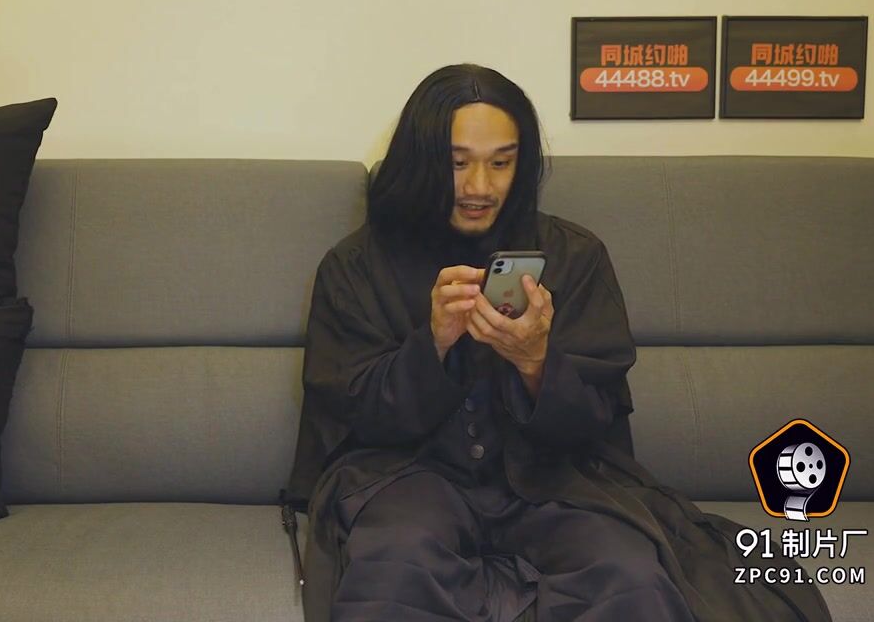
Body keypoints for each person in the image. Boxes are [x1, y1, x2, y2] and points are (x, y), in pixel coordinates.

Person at [282, 64, 831, 622]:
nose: (480, 187)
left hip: (553, 482)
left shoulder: (575, 255)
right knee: (394, 570)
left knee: (629, 574)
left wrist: (537, 363)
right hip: (408, 480)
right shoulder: (355, 266)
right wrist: (434, 346)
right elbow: (348, 416)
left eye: (501, 162)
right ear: (420, 161)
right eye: (457, 163)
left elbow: (598, 418)